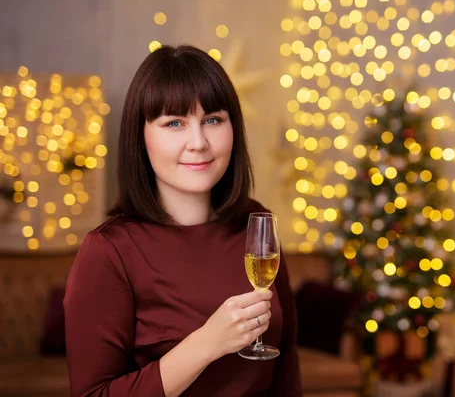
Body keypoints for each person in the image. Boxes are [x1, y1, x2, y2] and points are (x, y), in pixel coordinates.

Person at [63, 45, 302, 397]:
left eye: (213, 120)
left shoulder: (256, 224)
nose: (198, 142)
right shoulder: (108, 251)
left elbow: (286, 369)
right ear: (140, 137)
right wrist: (207, 343)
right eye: (174, 123)